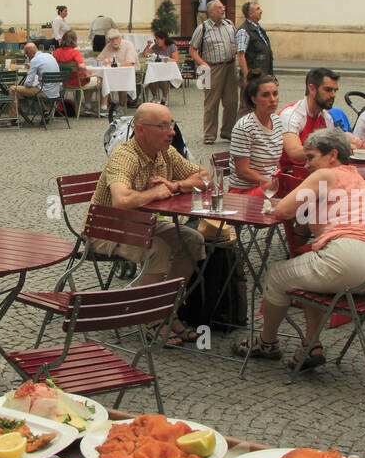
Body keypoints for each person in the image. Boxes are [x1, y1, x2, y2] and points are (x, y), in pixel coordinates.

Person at [234, 127, 365, 368]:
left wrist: (277, 206)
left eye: (311, 157)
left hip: (350, 261)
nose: (306, 164)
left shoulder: (325, 176)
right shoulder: (356, 178)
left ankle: (266, 343)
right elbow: (308, 227)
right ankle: (311, 346)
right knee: (305, 269)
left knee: (276, 275)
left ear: (332, 155)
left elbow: (283, 210)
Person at [90, 102, 210, 343]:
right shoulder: (124, 156)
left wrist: (175, 186)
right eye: (163, 126)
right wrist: (154, 193)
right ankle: (149, 319)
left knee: (193, 239)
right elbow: (121, 200)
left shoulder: (165, 151)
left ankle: (167, 312)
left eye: (172, 125)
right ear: (141, 130)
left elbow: (205, 177)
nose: (172, 132)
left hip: (143, 224)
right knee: (159, 249)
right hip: (107, 229)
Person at [188, 0, 246, 145]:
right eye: (219, 7)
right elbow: (192, 49)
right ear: (211, 12)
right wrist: (202, 63)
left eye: (223, 6)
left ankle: (227, 131)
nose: (223, 9)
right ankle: (209, 134)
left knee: (232, 101)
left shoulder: (229, 25)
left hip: (230, 66)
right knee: (211, 103)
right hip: (211, 68)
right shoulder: (203, 28)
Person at [230, 74, 283, 194]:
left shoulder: (277, 121)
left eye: (275, 93)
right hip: (245, 190)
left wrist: (280, 179)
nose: (272, 99)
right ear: (254, 99)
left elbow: (275, 161)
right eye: (265, 95)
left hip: (270, 185)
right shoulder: (244, 127)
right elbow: (242, 171)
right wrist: (270, 182)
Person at [8, 41, 61, 120]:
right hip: (56, 91)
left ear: (30, 52)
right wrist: (32, 67)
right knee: (36, 88)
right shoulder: (49, 56)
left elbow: (28, 83)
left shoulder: (34, 60)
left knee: (13, 89)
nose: (27, 56)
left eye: (26, 53)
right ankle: (45, 112)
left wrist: (32, 68)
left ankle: (13, 119)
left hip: (44, 92)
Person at [52, 30, 100, 112]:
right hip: (77, 81)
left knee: (88, 78)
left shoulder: (56, 52)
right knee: (97, 80)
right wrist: (86, 75)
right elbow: (81, 66)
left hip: (64, 81)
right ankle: (88, 105)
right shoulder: (75, 52)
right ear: (74, 40)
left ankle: (80, 106)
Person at [99, 28, 139, 112]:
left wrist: (116, 63)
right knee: (101, 80)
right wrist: (104, 61)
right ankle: (106, 105)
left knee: (121, 80)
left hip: (131, 74)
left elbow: (130, 63)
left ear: (120, 38)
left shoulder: (128, 45)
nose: (114, 41)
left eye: (116, 38)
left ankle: (121, 104)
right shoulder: (108, 46)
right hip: (112, 74)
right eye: (111, 40)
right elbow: (99, 59)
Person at [238, 0, 273, 78]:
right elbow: (241, 55)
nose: (261, 11)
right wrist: (246, 77)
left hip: (263, 74)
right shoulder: (244, 31)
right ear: (250, 14)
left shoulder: (259, 29)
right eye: (258, 9)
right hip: (253, 76)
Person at [144, 30, 179, 104]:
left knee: (164, 77)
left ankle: (164, 98)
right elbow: (145, 55)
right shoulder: (156, 47)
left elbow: (176, 60)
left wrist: (165, 58)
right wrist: (148, 46)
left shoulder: (172, 46)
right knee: (150, 76)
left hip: (169, 70)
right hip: (157, 70)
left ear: (163, 39)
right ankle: (154, 97)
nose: (156, 41)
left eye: (157, 39)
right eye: (155, 39)